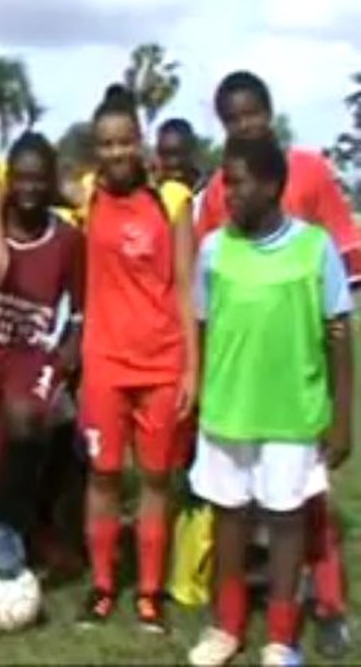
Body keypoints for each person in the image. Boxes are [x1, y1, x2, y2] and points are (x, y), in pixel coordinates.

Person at [195, 70, 359, 657]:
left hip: (296, 388)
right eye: (233, 120)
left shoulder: (311, 179)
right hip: (234, 399)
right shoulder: (218, 223)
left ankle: (324, 609)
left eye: (251, 115)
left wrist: (341, 415)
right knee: (236, 513)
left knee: (302, 511)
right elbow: (206, 309)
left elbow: (338, 311)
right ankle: (229, 621)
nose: (245, 125)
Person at [76, 85, 197, 633]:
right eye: (106, 144)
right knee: (102, 478)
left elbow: (188, 290)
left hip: (162, 364)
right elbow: (4, 176)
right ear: (95, 149)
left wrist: (191, 369)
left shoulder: (171, 200)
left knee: (154, 478)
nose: (116, 153)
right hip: (104, 364)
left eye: (125, 142)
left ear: (140, 142)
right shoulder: (85, 196)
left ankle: (148, 593)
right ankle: (102, 587)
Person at [0, 132, 84, 580]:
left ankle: (10, 529)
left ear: (52, 181)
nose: (29, 189)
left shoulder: (68, 238)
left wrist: (70, 352)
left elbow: (81, 309)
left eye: (39, 179)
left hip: (34, 355)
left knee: (25, 416)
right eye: (20, 178)